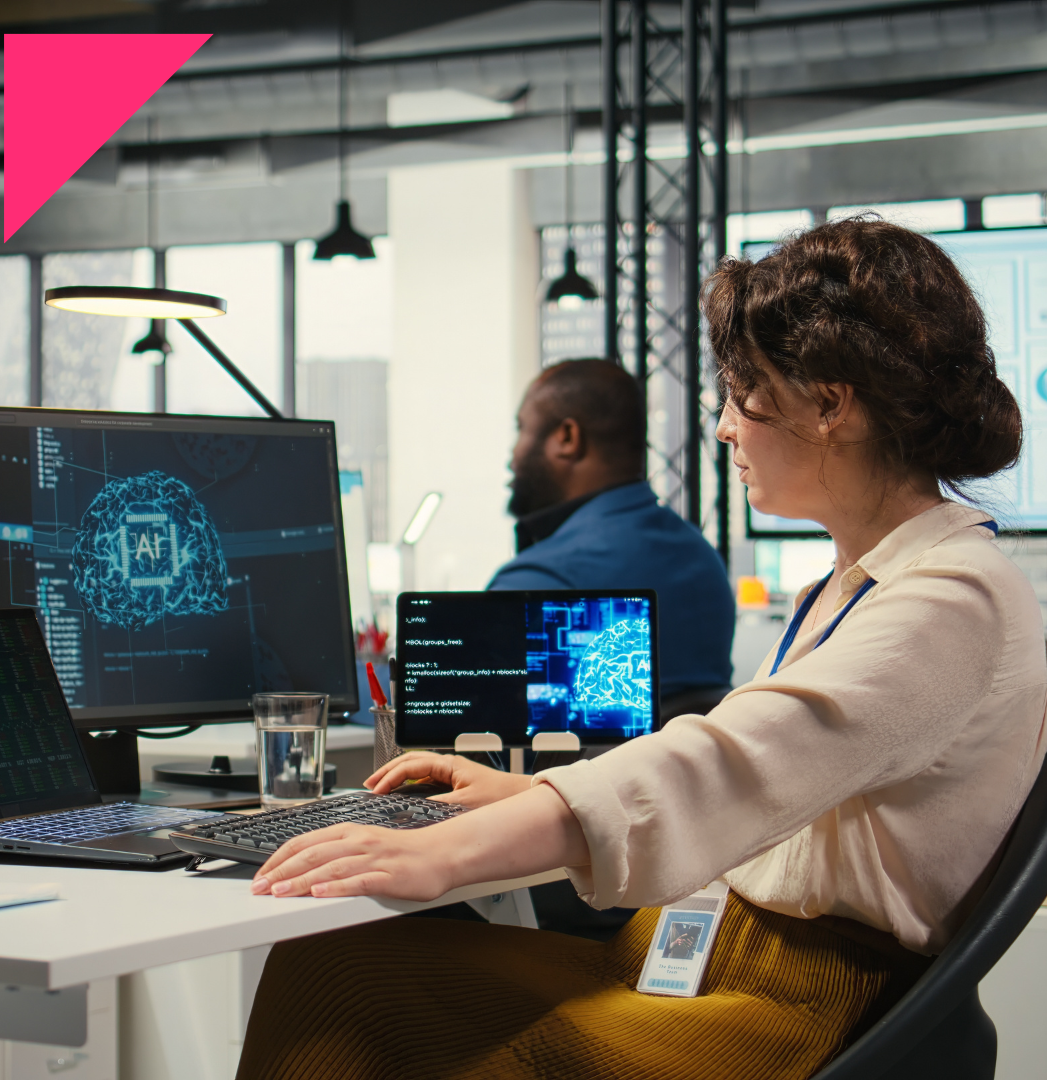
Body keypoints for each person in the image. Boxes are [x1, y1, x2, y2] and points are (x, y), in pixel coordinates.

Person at [236, 218, 1047, 1080]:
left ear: (831, 404)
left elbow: (732, 764)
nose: (727, 426)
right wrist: (527, 790)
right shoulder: (866, 582)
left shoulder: (952, 597)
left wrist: (441, 853)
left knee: (458, 1038)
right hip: (700, 955)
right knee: (332, 967)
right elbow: (775, 785)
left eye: (745, 391)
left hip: (793, 1008)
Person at [489, 358, 735, 716]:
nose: (512, 457)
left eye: (521, 429)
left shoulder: (534, 582)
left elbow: (481, 749)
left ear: (566, 438)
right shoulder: (702, 559)